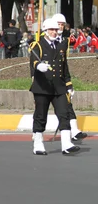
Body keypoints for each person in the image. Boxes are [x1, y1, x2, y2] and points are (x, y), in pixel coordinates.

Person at [29, 18, 80, 155]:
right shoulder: (38, 45)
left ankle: (66, 144)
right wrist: (39, 66)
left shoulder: (61, 45)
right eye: (51, 30)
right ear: (45, 31)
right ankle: (38, 144)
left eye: (56, 29)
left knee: (64, 114)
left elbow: (64, 67)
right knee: (41, 116)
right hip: (42, 87)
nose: (54, 32)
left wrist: (69, 85)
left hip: (59, 87)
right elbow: (33, 61)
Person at [53, 14, 88, 142]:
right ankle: (37, 133)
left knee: (67, 103)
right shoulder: (43, 39)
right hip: (47, 78)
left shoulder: (64, 40)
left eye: (62, 24)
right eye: (58, 24)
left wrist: (69, 83)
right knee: (42, 107)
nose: (60, 27)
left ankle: (74, 131)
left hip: (61, 77)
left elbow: (64, 63)